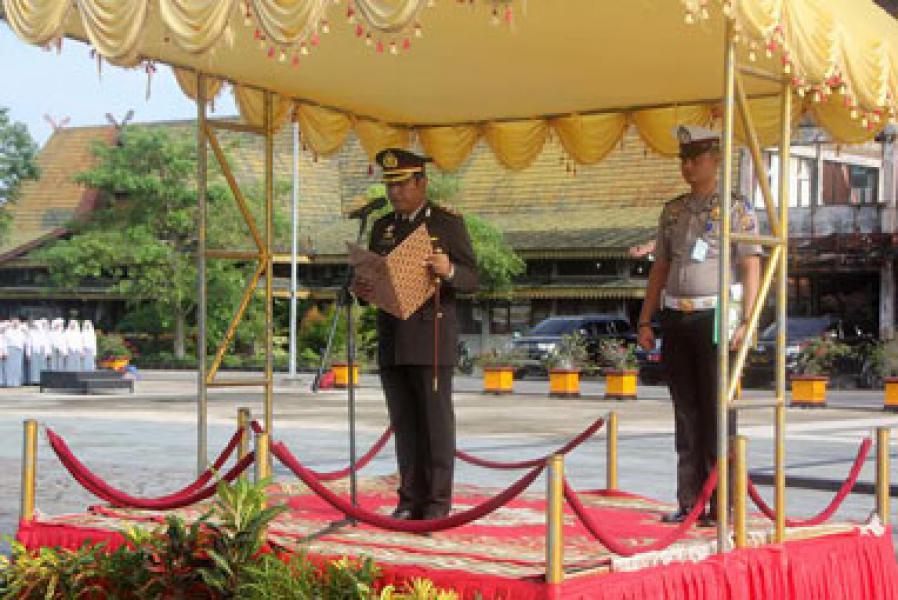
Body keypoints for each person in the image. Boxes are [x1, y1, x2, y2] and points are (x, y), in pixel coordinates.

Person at [636, 125, 761, 524]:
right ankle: (689, 501)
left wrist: (748, 320)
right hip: (676, 315)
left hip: (716, 316)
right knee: (686, 412)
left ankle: (721, 502)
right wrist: (645, 318)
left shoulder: (737, 208)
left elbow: (750, 265)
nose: (688, 166)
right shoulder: (673, 211)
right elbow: (660, 267)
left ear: (716, 160)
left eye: (696, 158)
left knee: (717, 412)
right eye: (684, 159)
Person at [353, 148, 478, 521]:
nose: (394, 192)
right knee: (404, 423)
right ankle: (409, 499)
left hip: (430, 337)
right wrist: (360, 288)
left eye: (402, 184)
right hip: (392, 336)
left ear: (421, 182)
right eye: (390, 185)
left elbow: (472, 279)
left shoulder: (446, 223)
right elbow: (372, 278)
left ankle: (436, 503)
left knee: (435, 425)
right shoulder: (381, 227)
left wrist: (449, 270)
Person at [4, 317, 26, 387]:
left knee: (18, 367)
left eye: (17, 322)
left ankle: (16, 382)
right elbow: (5, 342)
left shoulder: (21, 331)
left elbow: (24, 340)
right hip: (10, 349)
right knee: (10, 367)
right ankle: (9, 382)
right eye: (14, 322)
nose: (15, 323)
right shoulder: (8, 331)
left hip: (19, 350)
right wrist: (5, 351)